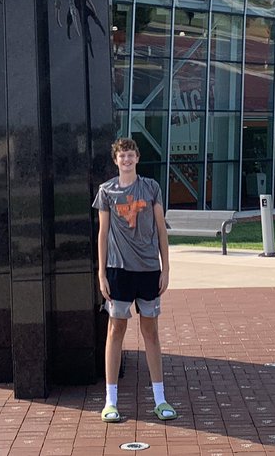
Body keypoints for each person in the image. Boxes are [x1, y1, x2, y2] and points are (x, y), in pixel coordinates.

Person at [93, 137, 176, 423]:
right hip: (118, 270)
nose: (126, 160)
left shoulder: (151, 188)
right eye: (122, 156)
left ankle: (160, 398)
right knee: (115, 330)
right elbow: (103, 234)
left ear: (137, 158)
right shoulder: (106, 191)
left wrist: (166, 268)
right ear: (115, 160)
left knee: (150, 331)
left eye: (130, 155)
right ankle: (111, 400)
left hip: (149, 269)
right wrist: (101, 272)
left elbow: (161, 230)